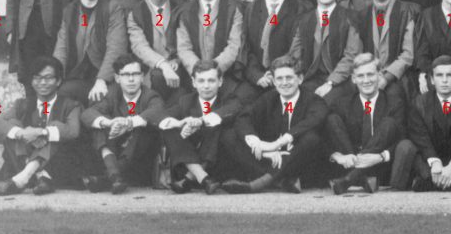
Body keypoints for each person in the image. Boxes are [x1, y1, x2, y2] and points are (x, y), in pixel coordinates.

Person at [392, 55, 451, 193]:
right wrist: (434, 161)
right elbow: (419, 136)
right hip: (431, 160)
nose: (444, 80)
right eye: (439, 75)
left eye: (449, 75)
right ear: (432, 80)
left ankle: (430, 182)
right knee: (406, 146)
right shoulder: (419, 102)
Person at [0, 58, 81, 196]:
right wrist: (21, 133)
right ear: (31, 81)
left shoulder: (71, 105)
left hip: (57, 166)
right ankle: (39, 176)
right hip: (25, 157)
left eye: (48, 78)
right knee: (13, 124)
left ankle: (23, 178)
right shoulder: (22, 104)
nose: (42, 82)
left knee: (54, 129)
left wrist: (42, 132)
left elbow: (73, 131)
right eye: (37, 78)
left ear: (58, 81)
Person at [232, 61, 328, 193]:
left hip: (299, 162)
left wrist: (278, 143)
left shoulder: (313, 100)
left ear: (300, 79)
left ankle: (263, 182)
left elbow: (315, 119)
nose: (284, 83)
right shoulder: (269, 98)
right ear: (274, 82)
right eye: (279, 79)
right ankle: (280, 180)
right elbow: (243, 118)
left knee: (311, 138)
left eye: (289, 78)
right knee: (231, 136)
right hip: (271, 159)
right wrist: (259, 145)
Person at [158, 64, 245, 194]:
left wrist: (200, 121)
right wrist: (181, 123)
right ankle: (203, 178)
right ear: (194, 82)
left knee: (217, 124)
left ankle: (190, 178)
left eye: (211, 80)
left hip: (217, 167)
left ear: (220, 82)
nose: (206, 86)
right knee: (169, 128)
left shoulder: (229, 99)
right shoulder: (186, 101)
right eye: (201, 81)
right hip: (189, 161)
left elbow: (232, 109)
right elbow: (161, 117)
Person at [323, 54, 401, 195]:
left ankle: (350, 179)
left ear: (379, 76)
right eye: (360, 76)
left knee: (388, 123)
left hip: (379, 164)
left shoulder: (394, 103)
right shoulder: (342, 104)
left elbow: (404, 137)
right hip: (349, 162)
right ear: (353, 79)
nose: (366, 80)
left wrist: (381, 156)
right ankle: (360, 177)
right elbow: (326, 139)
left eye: (370, 75)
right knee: (332, 119)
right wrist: (338, 156)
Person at [84, 57, 164, 193]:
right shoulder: (111, 94)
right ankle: (115, 176)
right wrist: (109, 123)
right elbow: (88, 113)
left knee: (143, 129)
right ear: (117, 78)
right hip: (115, 149)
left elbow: (157, 110)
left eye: (135, 74)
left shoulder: (150, 95)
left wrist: (128, 123)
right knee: (99, 126)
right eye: (126, 75)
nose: (131, 79)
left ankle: (109, 177)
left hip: (138, 158)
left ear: (142, 77)